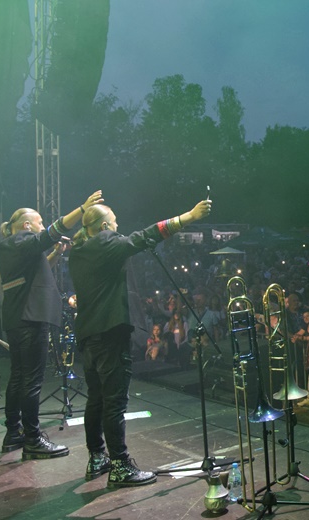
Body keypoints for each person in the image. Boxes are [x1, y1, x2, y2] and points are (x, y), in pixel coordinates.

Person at [69, 197, 211, 487]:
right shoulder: (106, 243)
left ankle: (97, 457)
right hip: (110, 335)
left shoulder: (79, 251)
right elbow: (146, 235)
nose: (119, 226)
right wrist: (189, 216)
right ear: (105, 226)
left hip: (88, 335)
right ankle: (120, 466)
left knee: (96, 399)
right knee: (114, 403)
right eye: (115, 222)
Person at [0, 190, 103, 458]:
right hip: (30, 317)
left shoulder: (16, 248)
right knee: (31, 379)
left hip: (18, 317)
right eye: (40, 222)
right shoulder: (22, 239)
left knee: (19, 376)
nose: (43, 226)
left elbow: (37, 268)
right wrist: (81, 209)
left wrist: (55, 253)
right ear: (27, 225)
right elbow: (48, 233)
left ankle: (14, 433)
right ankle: (33, 438)